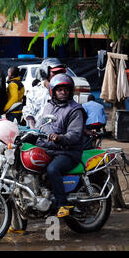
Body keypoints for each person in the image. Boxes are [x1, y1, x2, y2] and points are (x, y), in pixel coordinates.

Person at [36, 73, 86, 218]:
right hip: (48, 148)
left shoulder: (75, 110)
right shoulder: (48, 106)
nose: (63, 92)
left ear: (70, 91)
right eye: (59, 90)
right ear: (53, 91)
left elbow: (75, 134)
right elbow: (41, 126)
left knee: (53, 169)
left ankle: (62, 204)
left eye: (66, 89)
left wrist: (60, 138)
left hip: (68, 152)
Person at [22, 58, 66, 129]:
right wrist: (33, 128)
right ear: (44, 73)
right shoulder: (34, 91)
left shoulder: (64, 91)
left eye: (60, 72)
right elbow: (28, 113)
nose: (59, 75)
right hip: (39, 131)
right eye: (55, 72)